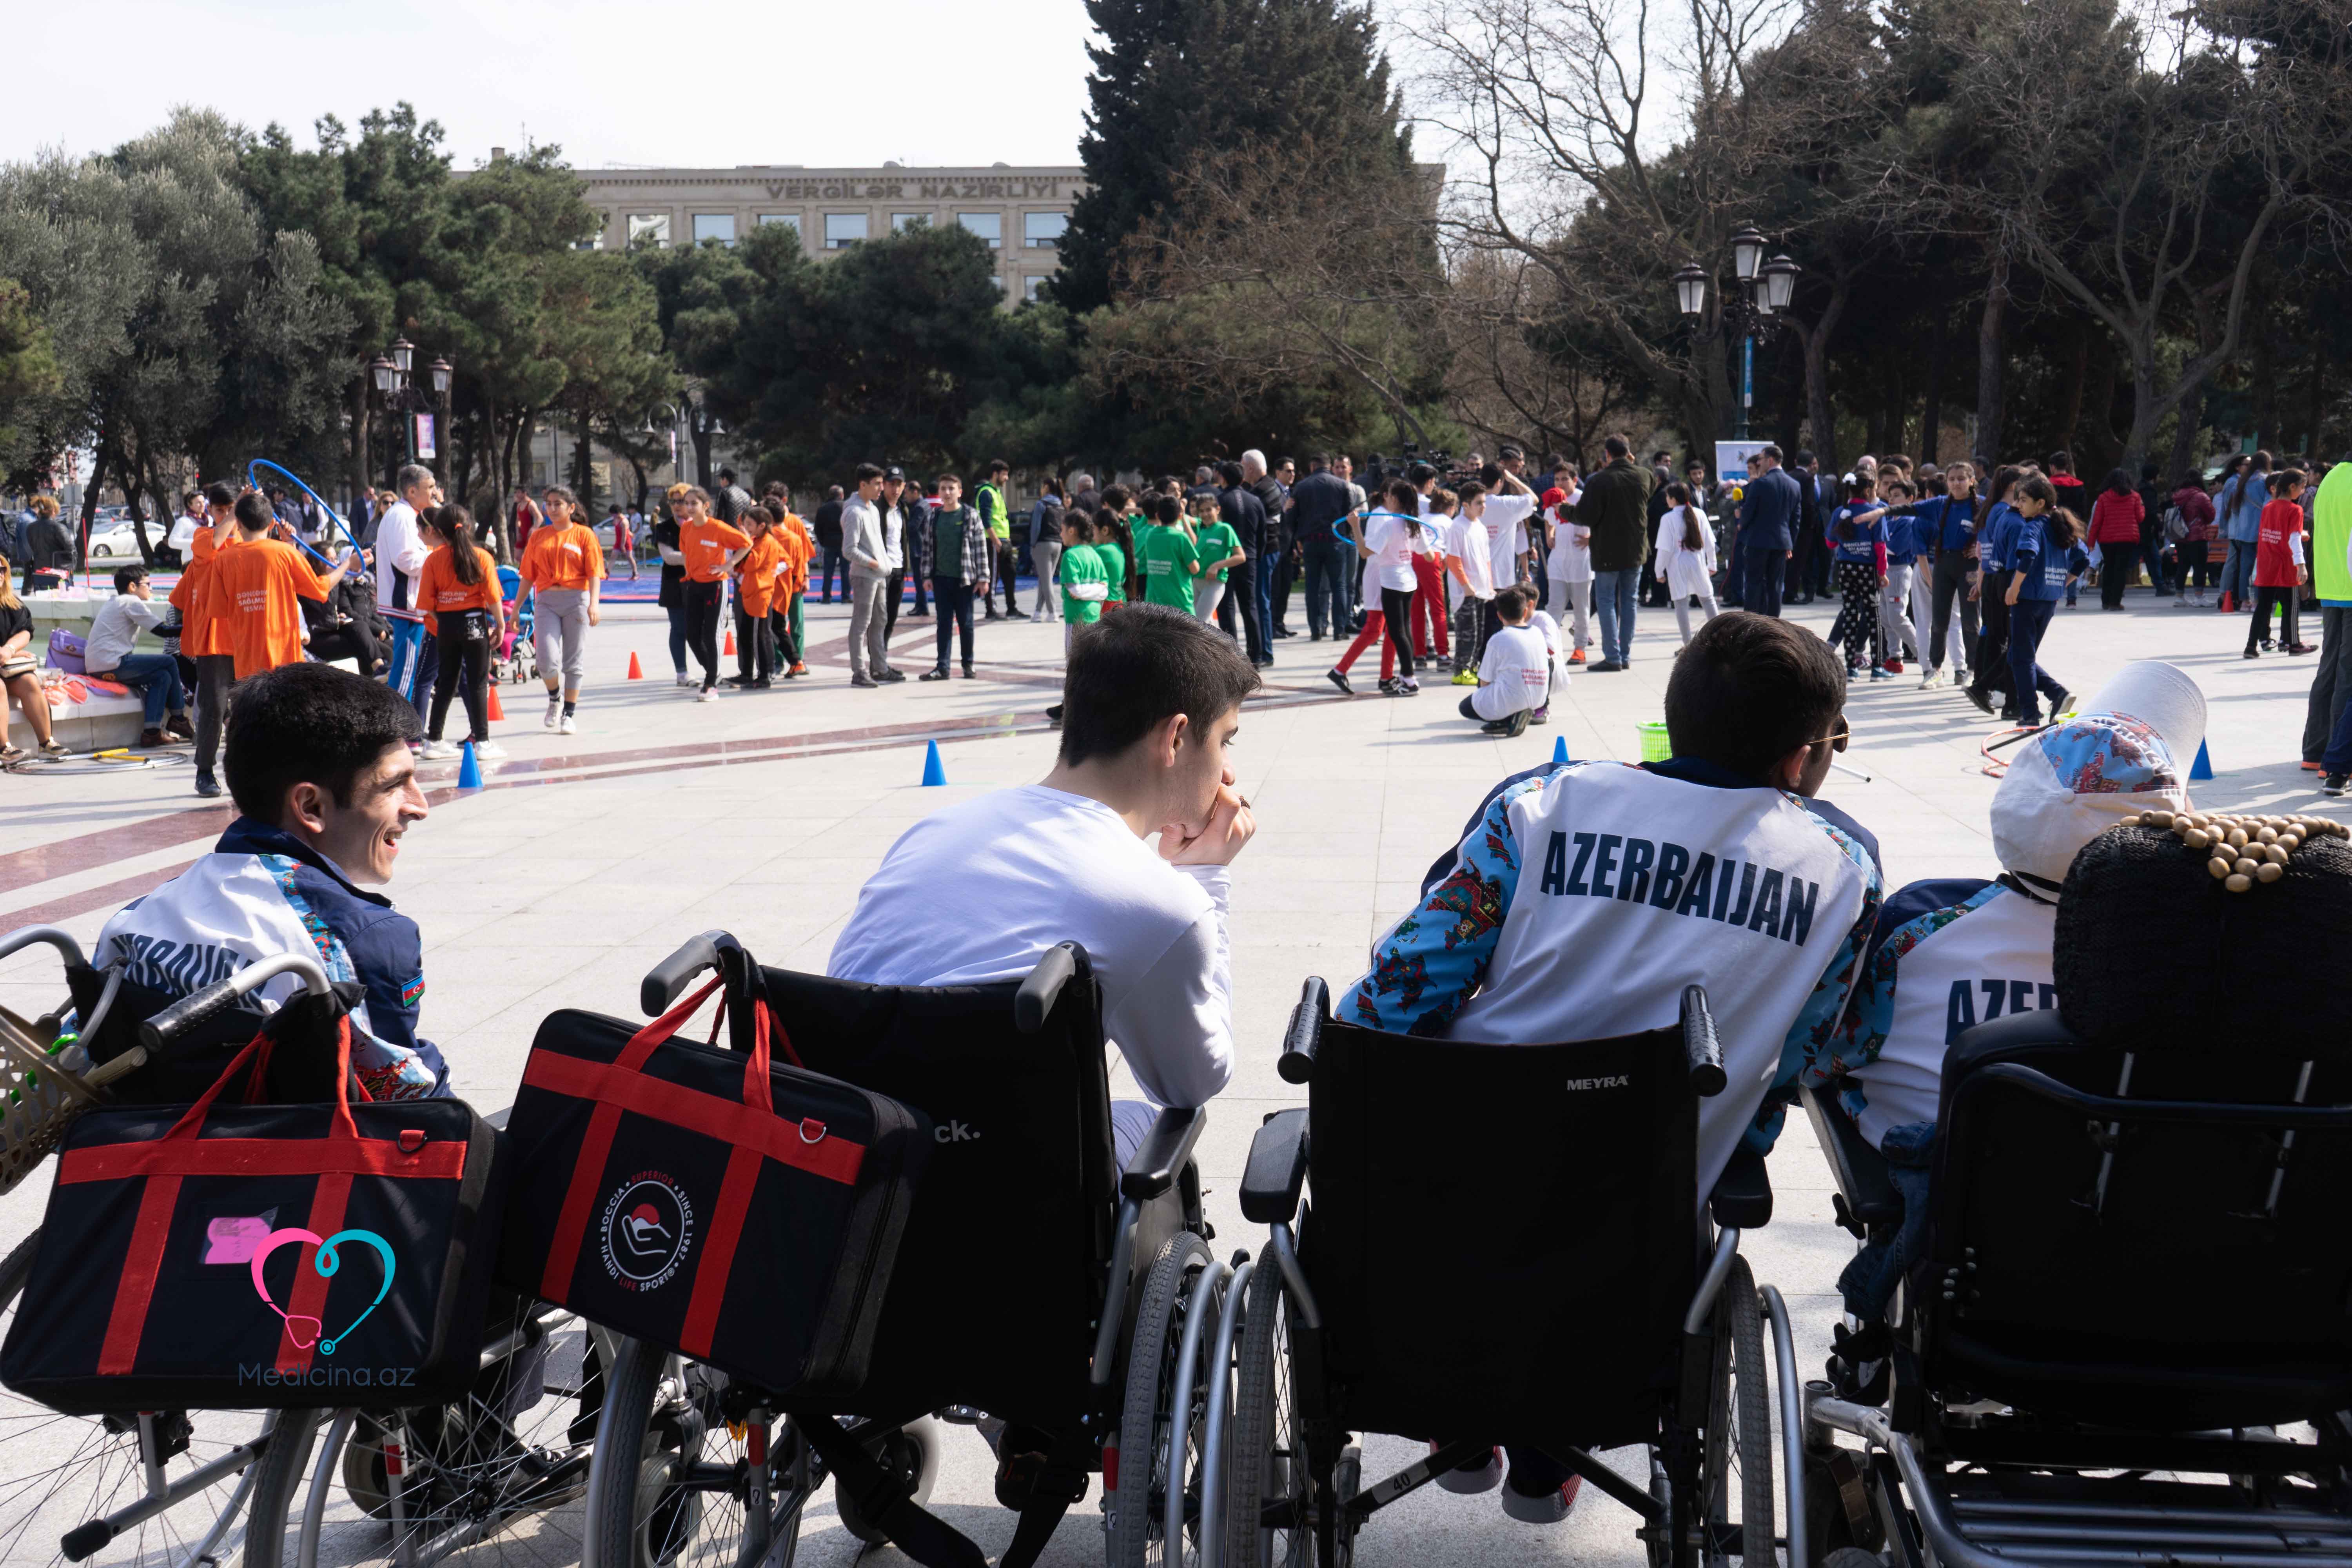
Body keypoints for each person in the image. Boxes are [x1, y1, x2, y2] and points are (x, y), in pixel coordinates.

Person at [1346, 609, 1880, 1522]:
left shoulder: (1542, 803)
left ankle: (1460, 1412)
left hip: (1448, 1194)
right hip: (1639, 1222)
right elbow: (1799, 1059)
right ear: (1800, 758)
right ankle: (1552, 1439)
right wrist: (1733, 1137)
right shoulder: (1842, 871)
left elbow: (1390, 1001)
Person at [1820, 661, 2202, 1391]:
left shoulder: (1920, 925)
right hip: (2138, 1230)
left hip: (1955, 1231)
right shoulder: (2191, 967)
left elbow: (1838, 1049)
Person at [830, 602, 1258, 1170]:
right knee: (1142, 1122)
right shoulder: (1160, 903)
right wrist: (1204, 879)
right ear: (1176, 738)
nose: (1227, 771)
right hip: (1015, 1196)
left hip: (851, 1172)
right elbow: (1191, 1082)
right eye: (1226, 740)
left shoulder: (932, 831)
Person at [92, 661, 445, 1102]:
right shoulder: (365, 940)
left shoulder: (133, 924)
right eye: (395, 784)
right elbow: (407, 1104)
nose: (420, 805)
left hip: (144, 1160)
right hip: (297, 1167)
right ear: (310, 806)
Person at [206, 491, 351, 683]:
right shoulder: (284, 552)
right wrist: (348, 564)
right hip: (286, 662)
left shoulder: (223, 560)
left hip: (247, 663)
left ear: (238, 524)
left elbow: (218, 610)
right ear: (272, 524)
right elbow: (320, 589)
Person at [414, 502, 505, 760]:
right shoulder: (482, 557)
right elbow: (493, 596)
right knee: (478, 683)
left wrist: (445, 623)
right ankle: (483, 742)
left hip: (447, 625)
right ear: (468, 527)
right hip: (475, 622)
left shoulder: (433, 559)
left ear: (439, 532)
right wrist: (500, 624)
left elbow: (426, 605)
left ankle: (434, 740)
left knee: (446, 682)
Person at [1325, 479, 1428, 697]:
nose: (1387, 498)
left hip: (1390, 578)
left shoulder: (1393, 520)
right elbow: (1371, 552)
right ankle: (1370, 674)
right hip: (1383, 577)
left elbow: (1369, 551)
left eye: (1391, 496)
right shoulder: (1386, 518)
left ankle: (1385, 676)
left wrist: (1355, 528)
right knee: (1381, 629)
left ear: (1395, 499)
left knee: (1391, 630)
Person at [519, 485, 603, 733]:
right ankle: (554, 698)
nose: (553, 509)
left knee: (573, 662)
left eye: (559, 504)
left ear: (571, 508)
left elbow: (594, 572)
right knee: (546, 660)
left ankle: (569, 713)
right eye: (549, 504)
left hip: (577, 600)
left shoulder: (584, 534)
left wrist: (594, 603)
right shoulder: (538, 536)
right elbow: (527, 576)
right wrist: (515, 610)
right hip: (546, 602)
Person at [2002, 475, 2083, 724]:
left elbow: (2028, 557)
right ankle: (2056, 694)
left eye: (2024, 500)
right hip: (2048, 602)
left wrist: (2014, 588)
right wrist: (2060, 584)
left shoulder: (2033, 527)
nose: (2019, 506)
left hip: (2028, 600)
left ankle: (2030, 713)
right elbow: (2083, 560)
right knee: (2017, 656)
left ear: (2040, 503)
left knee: (2022, 658)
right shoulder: (2061, 528)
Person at [84, 563, 190, 748]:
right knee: (170, 661)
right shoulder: (131, 602)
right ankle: (179, 718)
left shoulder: (115, 602)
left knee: (162, 677)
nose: (151, 588)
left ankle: (152, 733)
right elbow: (163, 631)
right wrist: (195, 627)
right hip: (114, 664)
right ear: (132, 587)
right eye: (147, 584)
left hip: (100, 665)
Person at [1574, 436, 1653, 671]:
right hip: (1635, 550)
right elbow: (1651, 490)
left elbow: (1586, 516)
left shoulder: (1599, 481)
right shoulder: (1645, 475)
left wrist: (1566, 510)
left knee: (1607, 601)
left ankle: (1613, 656)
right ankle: (1625, 655)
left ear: (1607, 454)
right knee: (1630, 601)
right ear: (1629, 453)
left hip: (1607, 550)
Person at [374, 464, 438, 719]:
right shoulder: (402, 516)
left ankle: (401, 729)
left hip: (410, 602)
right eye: (430, 487)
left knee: (409, 669)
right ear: (413, 491)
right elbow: (407, 561)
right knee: (405, 671)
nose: (435, 492)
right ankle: (397, 728)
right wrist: (437, 556)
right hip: (407, 603)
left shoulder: (407, 514)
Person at [676, 485, 752, 699]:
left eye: (694, 503)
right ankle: (714, 670)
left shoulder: (718, 527)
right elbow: (685, 553)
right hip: (693, 585)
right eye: (686, 503)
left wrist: (730, 565)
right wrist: (689, 571)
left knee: (711, 634)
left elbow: (746, 544)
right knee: (692, 635)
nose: (689, 508)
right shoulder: (687, 528)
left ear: (705, 506)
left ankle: (711, 685)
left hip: (716, 586)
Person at [2301, 456, 2352, 771]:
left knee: (2329, 666)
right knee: (2349, 672)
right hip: (2350, 584)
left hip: (2331, 584)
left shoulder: (2331, 480)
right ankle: (2337, 756)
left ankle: (2314, 751)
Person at [1915, 464, 1980, 690]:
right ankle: (1935, 670)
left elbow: (1992, 530)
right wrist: (1880, 512)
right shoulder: (1941, 504)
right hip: (1944, 564)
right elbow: (1908, 510)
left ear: (1971, 480)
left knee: (1970, 621)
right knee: (1939, 620)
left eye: (1961, 479)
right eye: (1952, 479)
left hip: (1970, 567)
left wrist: (1980, 547)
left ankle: (1973, 669)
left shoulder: (1981, 504)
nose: (1956, 483)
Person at [923, 473, 993, 680]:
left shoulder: (970, 516)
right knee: (943, 623)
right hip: (941, 579)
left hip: (965, 580)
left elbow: (981, 548)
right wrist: (927, 576)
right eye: (944, 488)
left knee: (966, 624)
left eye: (952, 489)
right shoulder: (933, 517)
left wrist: (984, 578)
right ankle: (942, 667)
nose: (947, 492)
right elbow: (927, 549)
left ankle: (968, 664)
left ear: (960, 492)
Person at [1459, 584, 1551, 738]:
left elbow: (1484, 681)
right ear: (1525, 611)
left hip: (1513, 698)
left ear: (1500, 616)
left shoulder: (1499, 638)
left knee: (1466, 707)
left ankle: (1506, 718)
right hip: (1539, 699)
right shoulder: (1537, 633)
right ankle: (1513, 714)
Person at [0, 563, 66, 762]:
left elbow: (26, 631)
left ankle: (47, 742)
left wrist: (9, 650)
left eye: (2, 570)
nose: (0, 574)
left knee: (30, 682)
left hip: (5, 665)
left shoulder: (11, 604)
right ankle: (4, 747)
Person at [2246, 468, 2314, 659]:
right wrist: (2301, 564)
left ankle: (2251, 646)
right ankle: (2293, 643)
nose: (2302, 492)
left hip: (2267, 563)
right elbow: (2293, 539)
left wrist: (2299, 534)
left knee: (2263, 608)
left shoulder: (2268, 507)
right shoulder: (2295, 510)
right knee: (2291, 607)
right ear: (2292, 487)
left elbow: (2275, 532)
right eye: (2302, 487)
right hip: (2285, 564)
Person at [1828, 475, 1891, 677]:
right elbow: (1880, 547)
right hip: (1868, 569)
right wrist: (1882, 573)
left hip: (1846, 568)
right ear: (1869, 490)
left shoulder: (1840, 512)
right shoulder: (1874, 513)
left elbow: (1830, 543)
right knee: (1873, 616)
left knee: (1849, 613)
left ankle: (1851, 667)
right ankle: (1877, 667)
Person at [1289, 454, 1356, 641]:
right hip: (1335, 541)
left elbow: (1292, 517)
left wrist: (1298, 538)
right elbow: (1349, 514)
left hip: (1311, 541)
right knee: (1339, 587)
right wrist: (1346, 534)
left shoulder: (1302, 486)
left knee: (1312, 587)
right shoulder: (1342, 485)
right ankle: (1339, 629)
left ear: (1312, 466)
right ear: (1329, 466)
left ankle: (1316, 629)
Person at [1735, 444, 1802, 619]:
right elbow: (1796, 519)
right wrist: (1790, 544)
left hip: (1758, 541)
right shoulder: (1794, 485)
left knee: (1754, 584)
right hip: (1782, 542)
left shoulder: (1761, 484)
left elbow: (1749, 511)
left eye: (1762, 459)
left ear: (1770, 460)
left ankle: (1750, 622)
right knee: (1776, 586)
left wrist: (1742, 522)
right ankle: (1774, 624)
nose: (1759, 462)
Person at [1216, 461, 1270, 666]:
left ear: (1223, 478)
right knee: (1250, 607)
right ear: (1242, 479)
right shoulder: (1255, 501)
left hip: (1227, 559)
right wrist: (1257, 556)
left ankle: (1233, 658)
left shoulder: (1220, 500)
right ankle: (1255, 657)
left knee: (1227, 608)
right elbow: (1262, 534)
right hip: (1249, 558)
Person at [723, 506, 784, 689]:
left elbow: (751, 564)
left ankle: (764, 675)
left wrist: (746, 543)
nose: (747, 528)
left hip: (760, 594)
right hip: (750, 593)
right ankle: (747, 674)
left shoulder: (766, 542)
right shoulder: (758, 540)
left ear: (761, 526)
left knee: (760, 636)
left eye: (750, 524)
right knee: (746, 635)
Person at [1653, 482, 1720, 645]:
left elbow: (1665, 549)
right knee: (1707, 599)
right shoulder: (1700, 514)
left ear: (1674, 499)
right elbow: (1710, 543)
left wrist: (1659, 572)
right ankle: (1721, 638)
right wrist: (1713, 564)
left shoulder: (1668, 518)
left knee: (1681, 604)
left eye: (1668, 497)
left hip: (1677, 566)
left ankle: (1687, 645)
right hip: (1698, 563)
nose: (1667, 500)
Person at [1542, 470, 1591, 668]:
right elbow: (1548, 520)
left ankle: (1580, 649)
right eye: (1557, 479)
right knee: (1554, 608)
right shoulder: (1554, 497)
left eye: (1565, 479)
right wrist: (1549, 534)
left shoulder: (1583, 498)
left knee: (1581, 609)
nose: (1560, 482)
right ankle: (1550, 648)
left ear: (1575, 480)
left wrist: (1591, 538)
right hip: (1558, 563)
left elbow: (1599, 520)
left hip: (1580, 563)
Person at [2215, 451, 2270, 612]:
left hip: (2243, 530)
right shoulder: (2265, 480)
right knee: (2259, 567)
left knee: (2244, 567)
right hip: (2261, 528)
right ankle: (2256, 601)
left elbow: (2234, 509)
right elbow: (2268, 504)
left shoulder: (2242, 481)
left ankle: (2244, 601)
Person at [2087, 468, 2145, 612]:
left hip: (2107, 539)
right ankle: (2115, 602)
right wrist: (2142, 507)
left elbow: (2097, 522)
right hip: (2127, 538)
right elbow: (2140, 518)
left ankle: (2105, 601)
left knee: (2109, 568)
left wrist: (2091, 542)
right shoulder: (2135, 497)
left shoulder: (2103, 498)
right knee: (2121, 570)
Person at [1191, 492, 1243, 633]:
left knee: (1198, 623)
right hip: (1197, 581)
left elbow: (1241, 557)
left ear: (1218, 509)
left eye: (1209, 510)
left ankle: (1224, 652)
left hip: (1215, 583)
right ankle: (1220, 653)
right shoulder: (1202, 531)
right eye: (1202, 511)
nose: (1205, 514)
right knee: (1207, 625)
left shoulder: (1225, 529)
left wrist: (1216, 566)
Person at [1058, 513, 1110, 653]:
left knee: (1074, 662)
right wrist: (1095, 591)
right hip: (1094, 616)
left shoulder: (1070, 556)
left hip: (1075, 618)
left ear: (1071, 531)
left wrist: (1080, 593)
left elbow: (1075, 590)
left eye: (1062, 530)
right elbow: (1103, 589)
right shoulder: (1095, 555)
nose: (1061, 534)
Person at [2169, 469, 2220, 609]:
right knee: (2200, 567)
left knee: (2182, 567)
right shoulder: (2201, 496)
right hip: (2197, 536)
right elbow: (2211, 515)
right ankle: (2199, 597)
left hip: (2180, 536)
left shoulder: (2178, 495)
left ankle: (2179, 598)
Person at [974, 460, 1017, 621]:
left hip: (1004, 540)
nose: (1007, 478)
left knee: (1010, 574)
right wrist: (996, 541)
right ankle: (990, 610)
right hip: (994, 541)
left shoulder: (997, 492)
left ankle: (1012, 608)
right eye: (1005, 474)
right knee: (992, 576)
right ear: (995, 474)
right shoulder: (986, 492)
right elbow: (986, 520)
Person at [1029, 477, 1065, 623]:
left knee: (1046, 580)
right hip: (1058, 543)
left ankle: (1052, 612)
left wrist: (1032, 544)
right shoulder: (1061, 505)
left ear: (1046, 487)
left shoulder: (1041, 504)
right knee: (1045, 580)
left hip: (1043, 544)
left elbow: (1036, 527)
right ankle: (1038, 612)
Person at [20, 496, 72, 592]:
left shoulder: (31, 528)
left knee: (42, 601)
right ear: (53, 511)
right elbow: (71, 550)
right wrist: (70, 569)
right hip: (58, 573)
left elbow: (32, 548)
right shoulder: (59, 528)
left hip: (40, 572)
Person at [813, 485, 848, 604]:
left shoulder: (823, 509)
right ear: (842, 495)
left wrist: (823, 542)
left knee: (828, 572)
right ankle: (846, 596)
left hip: (829, 544)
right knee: (846, 571)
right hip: (845, 543)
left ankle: (827, 597)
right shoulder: (846, 507)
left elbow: (817, 528)